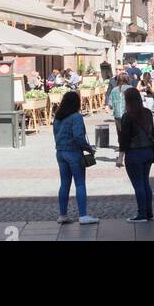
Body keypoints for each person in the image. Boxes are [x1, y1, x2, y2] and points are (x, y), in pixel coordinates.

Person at [51, 90, 98, 225]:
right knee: (80, 183)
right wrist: (89, 148)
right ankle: (83, 215)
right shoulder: (76, 116)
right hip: (73, 153)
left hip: (60, 152)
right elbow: (78, 137)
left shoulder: (57, 116)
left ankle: (63, 215)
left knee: (64, 184)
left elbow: (55, 134)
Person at [114, 86, 154, 223]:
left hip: (134, 153)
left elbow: (124, 139)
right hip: (148, 151)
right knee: (145, 183)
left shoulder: (128, 116)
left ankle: (142, 214)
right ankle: (148, 212)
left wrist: (120, 157)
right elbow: (152, 133)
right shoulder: (148, 113)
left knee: (138, 185)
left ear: (127, 100)